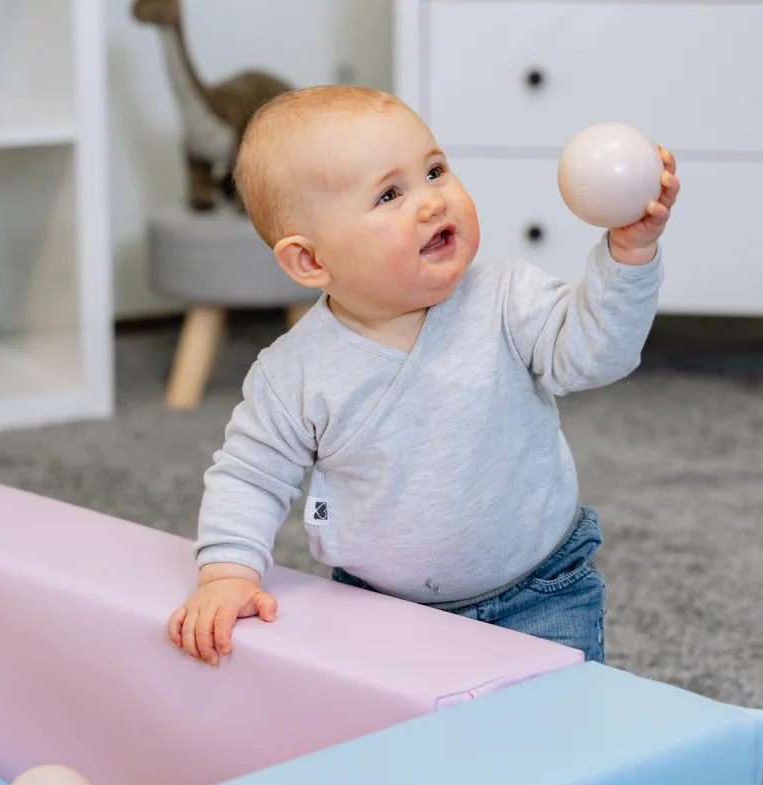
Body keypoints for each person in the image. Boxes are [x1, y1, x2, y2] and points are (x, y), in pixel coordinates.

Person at [168, 85, 680, 666]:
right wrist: (227, 572)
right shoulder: (295, 373)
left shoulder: (506, 297)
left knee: (554, 735)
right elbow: (251, 475)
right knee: (396, 743)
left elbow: (596, 355)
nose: (432, 202)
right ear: (310, 261)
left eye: (435, 171)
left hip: (540, 590)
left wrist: (629, 257)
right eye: (389, 194)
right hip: (378, 609)